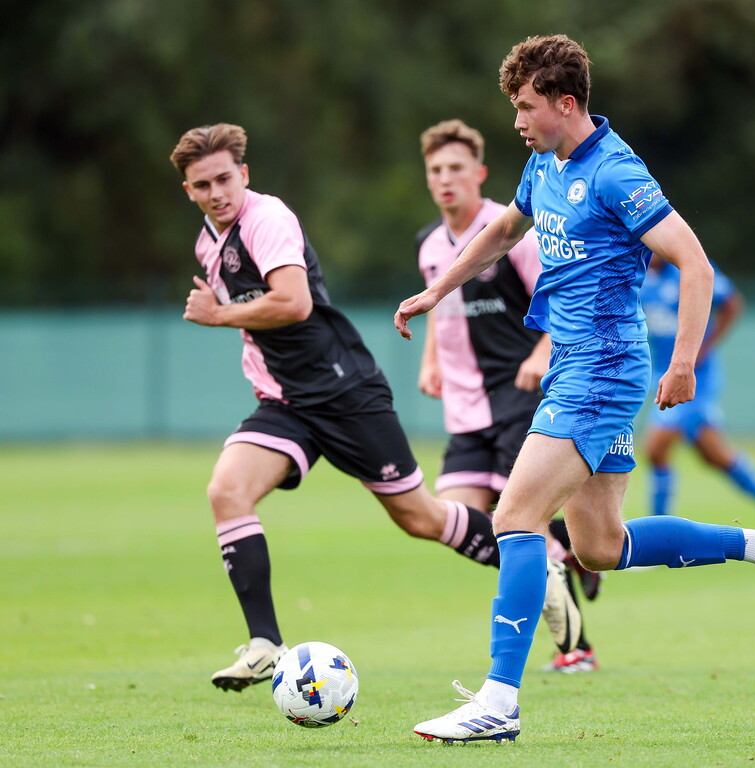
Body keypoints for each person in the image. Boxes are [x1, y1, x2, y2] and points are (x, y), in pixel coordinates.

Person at [394, 34, 755, 743]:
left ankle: (499, 700)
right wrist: (437, 290)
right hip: (577, 367)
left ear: (566, 103)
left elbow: (696, 265)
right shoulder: (543, 162)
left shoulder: (616, 172)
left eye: (526, 107)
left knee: (515, 517)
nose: (517, 121)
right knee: (599, 547)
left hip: (603, 371)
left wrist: (684, 362)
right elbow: (503, 231)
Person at [169, 122, 582, 693]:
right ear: (188, 191)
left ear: (244, 173)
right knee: (226, 491)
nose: (215, 192)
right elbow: (259, 324)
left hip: (345, 393)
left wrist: (218, 315)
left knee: (421, 518)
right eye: (201, 185)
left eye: (223, 179)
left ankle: (540, 569)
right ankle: (265, 644)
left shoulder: (267, 219)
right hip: (287, 401)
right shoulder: (208, 244)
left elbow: (293, 302)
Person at [417, 118, 599, 673]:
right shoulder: (430, 244)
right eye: (435, 170)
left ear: (480, 174)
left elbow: (561, 291)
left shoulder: (510, 229)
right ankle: (566, 546)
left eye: (455, 168)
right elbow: (441, 303)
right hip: (467, 405)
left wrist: (543, 350)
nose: (445, 179)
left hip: (519, 392)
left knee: (518, 518)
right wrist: (430, 360)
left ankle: (576, 648)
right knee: (456, 516)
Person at [641, 253, 755, 522]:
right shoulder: (640, 274)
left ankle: (656, 528)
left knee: (656, 448)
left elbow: (731, 303)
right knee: (714, 454)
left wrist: (703, 349)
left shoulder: (685, 268)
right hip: (664, 374)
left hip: (694, 379)